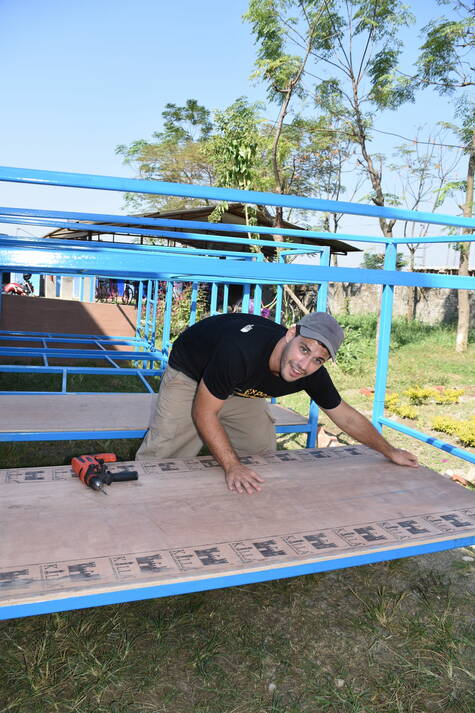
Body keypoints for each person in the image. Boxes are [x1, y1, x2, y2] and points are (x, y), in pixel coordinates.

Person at [136, 312, 418, 493]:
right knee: (166, 454)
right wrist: (232, 466)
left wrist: (389, 451)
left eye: (317, 359)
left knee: (261, 453)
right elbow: (204, 413)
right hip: (192, 371)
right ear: (291, 334)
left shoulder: (310, 371)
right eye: (303, 349)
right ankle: (140, 509)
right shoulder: (240, 350)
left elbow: (345, 416)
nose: (303, 365)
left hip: (242, 386)